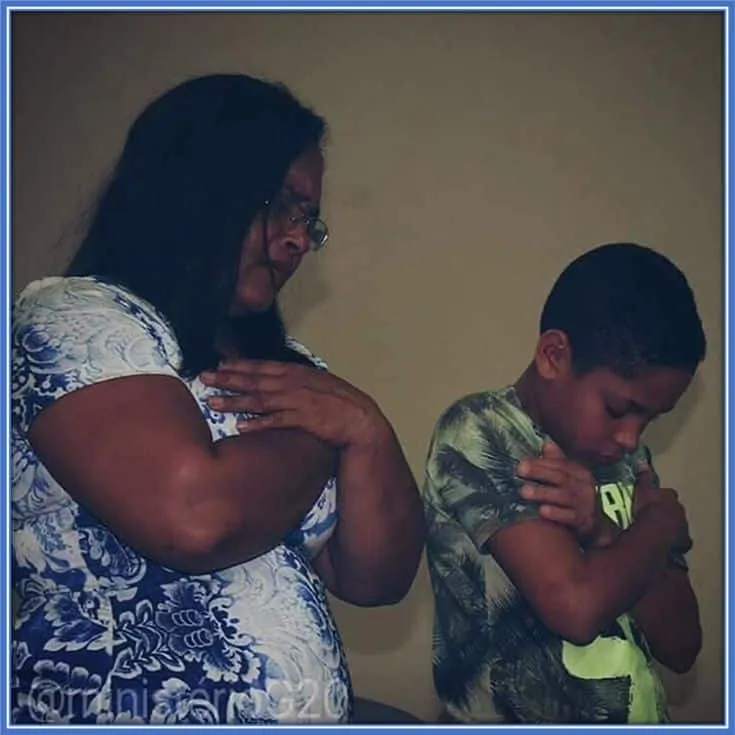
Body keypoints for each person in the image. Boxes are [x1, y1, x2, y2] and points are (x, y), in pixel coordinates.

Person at [11, 73, 425, 725]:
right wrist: (333, 429)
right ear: (195, 187)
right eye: (280, 204)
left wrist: (370, 432)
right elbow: (195, 517)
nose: (295, 240)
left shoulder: (290, 374)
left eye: (309, 221)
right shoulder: (71, 318)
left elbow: (375, 577)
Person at [422, 242, 705, 724]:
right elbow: (574, 608)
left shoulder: (626, 458)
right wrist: (656, 527)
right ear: (554, 355)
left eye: (650, 419)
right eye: (619, 409)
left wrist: (601, 531)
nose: (630, 436)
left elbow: (681, 644)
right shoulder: (482, 431)